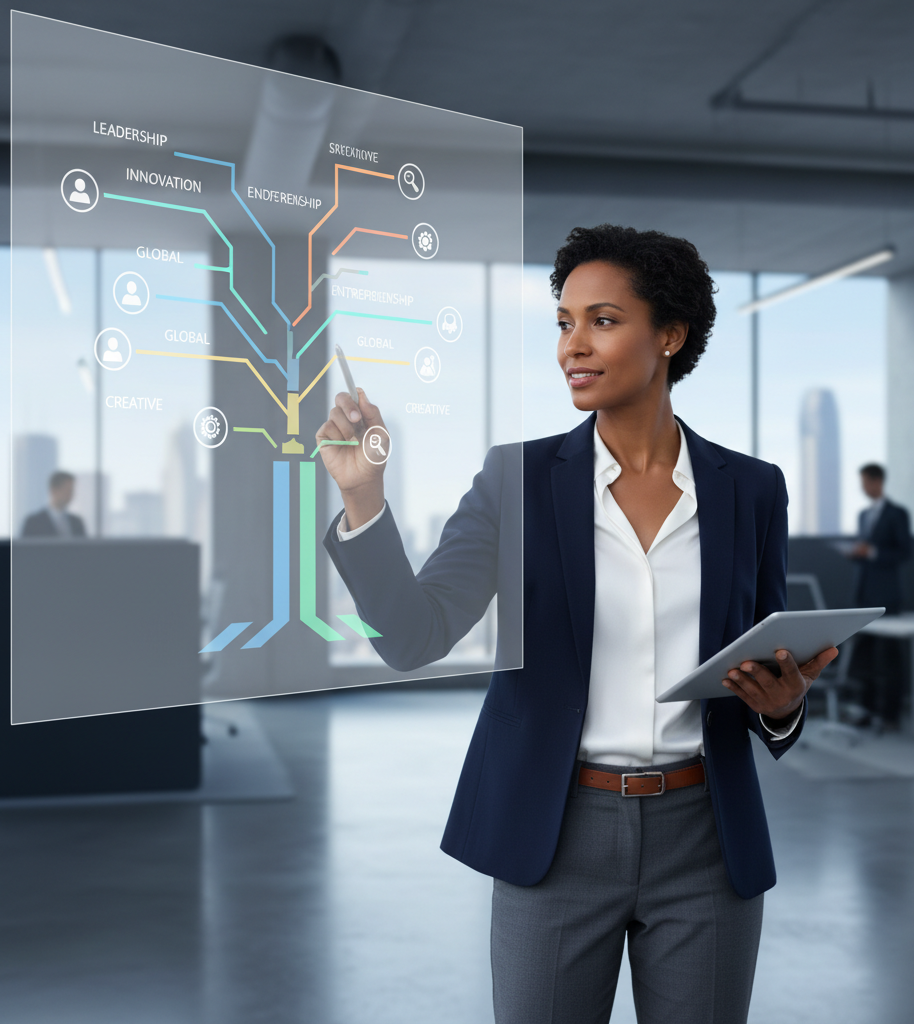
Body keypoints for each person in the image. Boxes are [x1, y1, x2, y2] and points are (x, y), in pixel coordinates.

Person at [316, 225, 837, 1024]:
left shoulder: (752, 491)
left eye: (602, 320)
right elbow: (413, 635)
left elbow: (765, 664)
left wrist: (782, 706)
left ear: (669, 334)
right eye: (564, 322)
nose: (573, 346)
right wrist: (363, 499)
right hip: (555, 833)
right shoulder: (515, 481)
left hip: (706, 836)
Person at [847, 463, 912, 730]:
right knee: (865, 657)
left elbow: (905, 552)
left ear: (877, 481)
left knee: (890, 657)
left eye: (864, 482)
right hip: (864, 594)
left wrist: (873, 553)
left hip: (887, 595)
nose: (862, 488)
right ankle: (867, 710)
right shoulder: (863, 515)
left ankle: (891, 715)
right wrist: (857, 554)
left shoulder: (897, 514)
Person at [22, 471, 86, 538]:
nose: (71, 495)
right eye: (67, 490)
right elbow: (25, 547)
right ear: (54, 490)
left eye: (72, 491)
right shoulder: (33, 523)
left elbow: (83, 547)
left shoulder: (77, 522)